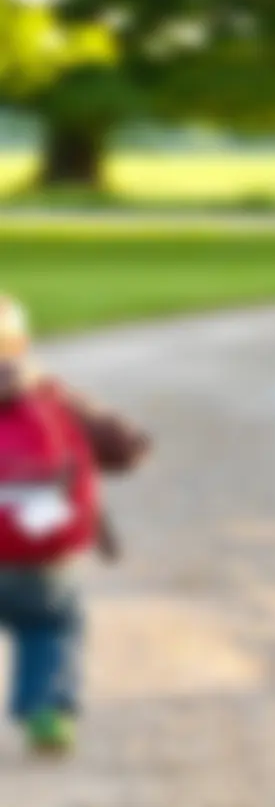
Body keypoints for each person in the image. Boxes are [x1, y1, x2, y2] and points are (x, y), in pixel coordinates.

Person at [0, 296, 150, 755]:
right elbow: (124, 447)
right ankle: (46, 711)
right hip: (44, 548)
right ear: (21, 344)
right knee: (51, 625)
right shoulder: (53, 394)